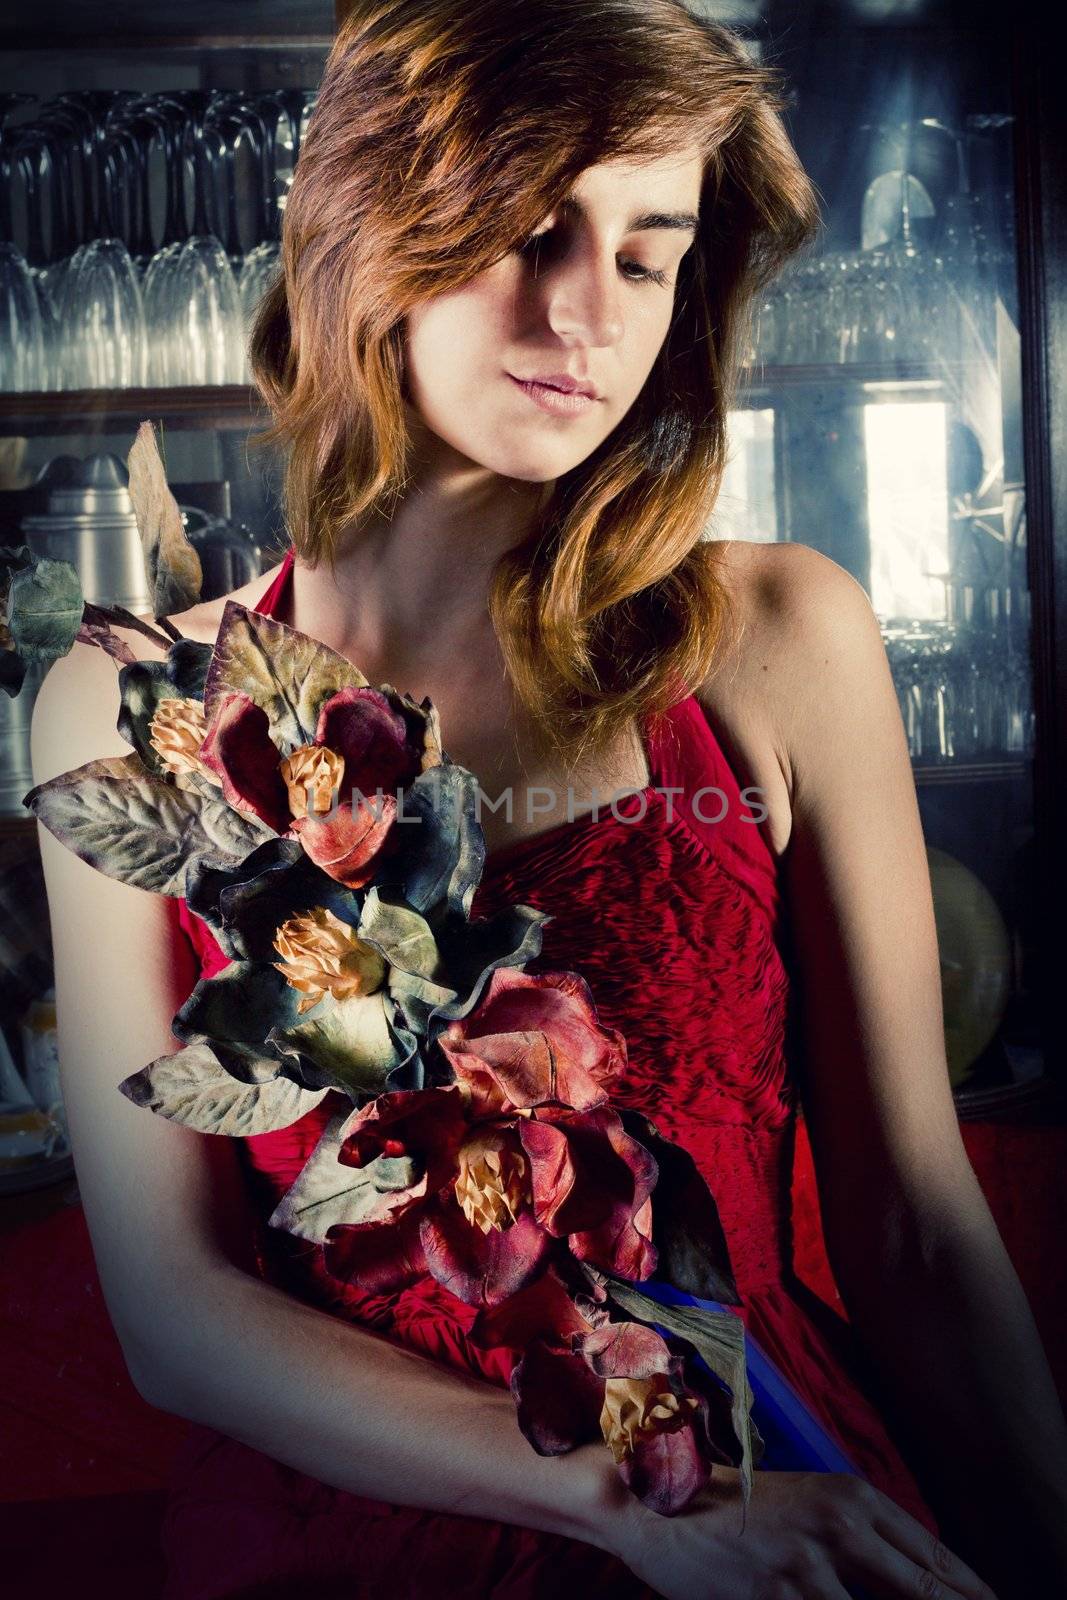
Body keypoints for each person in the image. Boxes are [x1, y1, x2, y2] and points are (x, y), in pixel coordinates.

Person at [30, 2, 1067, 1597]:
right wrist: (626, 1507)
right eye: (533, 226)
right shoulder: (132, 702)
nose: (590, 309)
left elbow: (917, 1233)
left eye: (648, 252)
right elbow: (179, 1316)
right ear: (370, 217)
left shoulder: (777, 641)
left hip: (775, 1485)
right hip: (352, 1539)